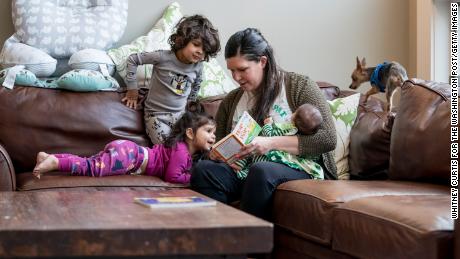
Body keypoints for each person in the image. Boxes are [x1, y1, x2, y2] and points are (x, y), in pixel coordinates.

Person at [190, 28, 337, 220]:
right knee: (204, 170)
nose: (236, 77)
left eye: (242, 69)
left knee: (261, 170)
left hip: (300, 168)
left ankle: (248, 244)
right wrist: (221, 157)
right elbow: (219, 145)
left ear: (263, 61)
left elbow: (327, 139)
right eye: (232, 70)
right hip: (247, 170)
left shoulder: (299, 86)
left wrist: (270, 143)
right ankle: (219, 239)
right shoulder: (232, 101)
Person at [32, 112, 216, 184]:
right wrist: (194, 177)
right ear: (190, 133)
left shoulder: (181, 150)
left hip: (127, 150)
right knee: (91, 169)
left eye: (214, 133)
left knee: (90, 162)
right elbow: (172, 176)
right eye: (208, 131)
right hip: (130, 157)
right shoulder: (182, 151)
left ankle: (50, 157)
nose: (213, 137)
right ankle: (56, 162)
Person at [123, 15, 220, 144]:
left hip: (181, 116)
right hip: (156, 116)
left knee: (197, 144)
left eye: (205, 50)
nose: (200, 52)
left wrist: (190, 106)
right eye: (196, 45)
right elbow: (132, 60)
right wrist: (132, 90)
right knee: (168, 150)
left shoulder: (198, 67)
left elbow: (196, 85)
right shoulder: (162, 57)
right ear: (182, 40)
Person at [233, 103, 325, 180]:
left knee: (251, 146)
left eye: (295, 112)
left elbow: (269, 136)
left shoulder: (287, 129)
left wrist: (268, 125)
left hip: (271, 158)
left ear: (294, 117)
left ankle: (240, 169)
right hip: (283, 164)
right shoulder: (307, 139)